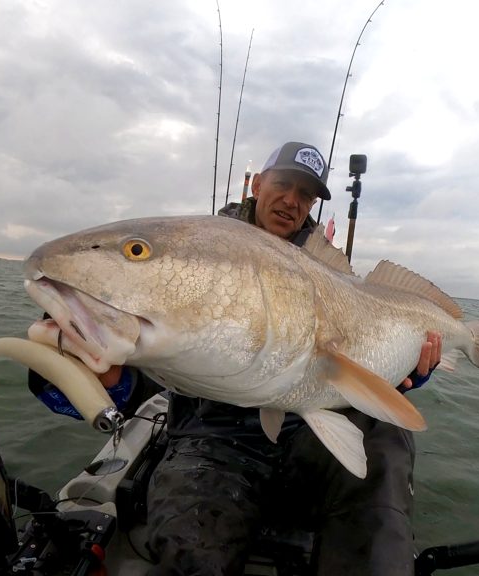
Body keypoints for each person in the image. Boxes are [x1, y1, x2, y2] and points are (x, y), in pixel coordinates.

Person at [33, 141, 442, 575]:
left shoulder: (323, 270)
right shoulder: (209, 243)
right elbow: (152, 378)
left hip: (304, 432)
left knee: (385, 438)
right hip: (210, 440)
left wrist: (406, 376)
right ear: (259, 184)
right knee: (191, 554)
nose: (291, 200)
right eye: (283, 184)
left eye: (305, 195)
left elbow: (365, 367)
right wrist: (113, 382)